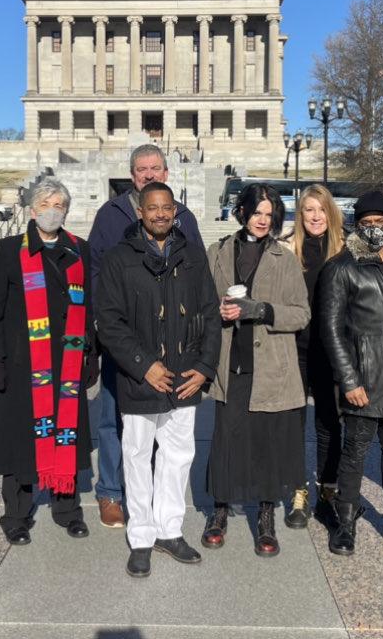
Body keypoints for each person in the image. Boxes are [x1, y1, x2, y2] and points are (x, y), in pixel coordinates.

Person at [95, 181, 221, 578]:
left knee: (178, 455)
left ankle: (170, 529)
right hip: (141, 378)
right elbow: (109, 322)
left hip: (184, 377)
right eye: (153, 208)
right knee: (136, 456)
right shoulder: (119, 258)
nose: (161, 214)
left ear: (175, 210)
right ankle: (143, 536)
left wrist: (204, 367)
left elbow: (211, 315)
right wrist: (143, 363)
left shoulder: (194, 256)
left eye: (167, 207)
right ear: (140, 212)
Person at [87, 143, 204, 529]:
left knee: (163, 426)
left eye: (155, 168)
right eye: (141, 169)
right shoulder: (111, 214)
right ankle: (110, 492)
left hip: (172, 341)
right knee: (112, 418)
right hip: (125, 338)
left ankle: (154, 499)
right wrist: (110, 331)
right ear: (132, 176)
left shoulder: (183, 216)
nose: (149, 174)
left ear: (166, 173)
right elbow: (97, 272)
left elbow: (199, 278)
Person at [0, 178, 97, 545]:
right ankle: (16, 514)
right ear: (32, 210)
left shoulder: (80, 249)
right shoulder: (10, 249)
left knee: (66, 434)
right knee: (20, 439)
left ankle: (67, 509)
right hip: (22, 363)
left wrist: (91, 353)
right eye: (47, 203)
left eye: (60, 204)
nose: (53, 210)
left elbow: (88, 305)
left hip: (67, 362)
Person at [202, 183, 310, 557]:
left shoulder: (284, 257)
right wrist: (215, 310)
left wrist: (261, 310)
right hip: (230, 362)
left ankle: (265, 518)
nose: (263, 220)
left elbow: (301, 313)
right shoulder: (217, 252)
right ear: (243, 211)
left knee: (266, 443)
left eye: (270, 214)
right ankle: (219, 511)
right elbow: (201, 303)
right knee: (226, 441)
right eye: (257, 212)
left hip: (271, 366)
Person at [319, 190, 383, 557]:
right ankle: (345, 520)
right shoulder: (341, 267)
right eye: (367, 223)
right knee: (355, 452)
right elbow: (331, 330)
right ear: (356, 225)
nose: (375, 228)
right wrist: (349, 380)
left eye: (381, 222)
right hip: (364, 378)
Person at [281, 184, 346, 528]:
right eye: (308, 210)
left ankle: (328, 492)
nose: (316, 216)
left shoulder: (345, 250)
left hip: (332, 350)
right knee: (294, 425)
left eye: (321, 209)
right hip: (297, 347)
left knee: (329, 424)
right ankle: (297, 491)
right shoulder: (288, 249)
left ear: (330, 212)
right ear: (300, 214)